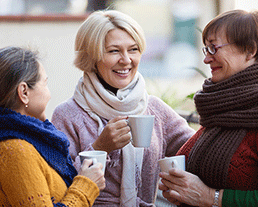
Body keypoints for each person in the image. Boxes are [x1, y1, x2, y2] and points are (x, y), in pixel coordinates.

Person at [51, 10, 195, 206]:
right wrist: (100, 148)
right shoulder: (68, 115)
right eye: (114, 51)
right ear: (92, 57)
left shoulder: (154, 109)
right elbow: (57, 184)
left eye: (133, 49)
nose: (126, 60)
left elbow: (198, 149)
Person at [158, 9, 258, 207]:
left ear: (250, 50)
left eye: (214, 48)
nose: (206, 59)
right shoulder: (221, 109)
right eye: (206, 49)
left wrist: (210, 197)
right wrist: (182, 192)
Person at [0, 46, 105, 207]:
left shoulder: (32, 141)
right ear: (24, 92)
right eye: (45, 83)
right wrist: (86, 187)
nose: (49, 94)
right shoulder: (15, 150)